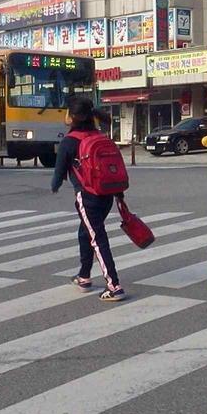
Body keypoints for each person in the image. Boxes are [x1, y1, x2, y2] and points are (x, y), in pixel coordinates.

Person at [51, 96, 127, 302]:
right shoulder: (99, 135)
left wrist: (54, 186)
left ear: (72, 116)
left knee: (96, 238)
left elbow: (58, 175)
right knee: (86, 233)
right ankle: (84, 276)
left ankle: (114, 285)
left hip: (88, 196)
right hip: (107, 194)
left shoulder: (69, 141)